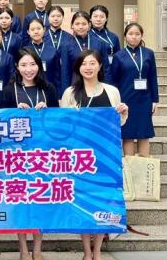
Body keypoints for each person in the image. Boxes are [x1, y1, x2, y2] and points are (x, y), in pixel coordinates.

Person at [59, 49, 128, 260]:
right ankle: (86, 251)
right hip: (79, 159)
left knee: (102, 203)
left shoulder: (112, 91)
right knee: (83, 204)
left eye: (92, 63)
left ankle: (96, 251)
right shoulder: (70, 93)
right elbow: (62, 126)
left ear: (100, 66)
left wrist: (123, 112)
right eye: (83, 64)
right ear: (78, 68)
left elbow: (118, 124)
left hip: (105, 158)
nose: (88, 67)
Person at [1, 48, 58, 260]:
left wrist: (47, 111)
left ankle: (38, 249)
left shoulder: (49, 89)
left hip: (43, 155)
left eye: (32, 64)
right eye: (23, 65)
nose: (28, 69)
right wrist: (15, 112)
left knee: (40, 200)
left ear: (39, 66)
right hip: (18, 156)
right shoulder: (10, 90)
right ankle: (23, 249)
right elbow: (1, 121)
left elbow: (58, 121)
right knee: (21, 203)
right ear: (17, 67)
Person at [110, 23, 159, 157]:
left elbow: (153, 77)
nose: (134, 37)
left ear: (141, 36)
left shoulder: (148, 53)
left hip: (145, 99)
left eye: (137, 34)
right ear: (125, 36)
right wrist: (115, 100)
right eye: (131, 34)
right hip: (125, 99)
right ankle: (130, 164)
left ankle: (144, 162)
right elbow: (114, 80)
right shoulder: (119, 56)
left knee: (144, 133)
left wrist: (155, 100)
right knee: (128, 133)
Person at [60, 11, 111, 94]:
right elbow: (65, 71)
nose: (81, 27)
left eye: (84, 24)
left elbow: (105, 68)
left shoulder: (99, 43)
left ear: (89, 25)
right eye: (77, 24)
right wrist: (65, 92)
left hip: (97, 84)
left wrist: (108, 89)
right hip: (75, 85)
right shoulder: (66, 45)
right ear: (72, 25)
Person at [24, 18, 61, 89]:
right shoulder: (24, 51)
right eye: (32, 29)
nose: (36, 32)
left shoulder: (53, 51)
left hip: (50, 88)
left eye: (39, 28)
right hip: (31, 88)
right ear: (28, 32)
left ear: (44, 30)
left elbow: (57, 75)